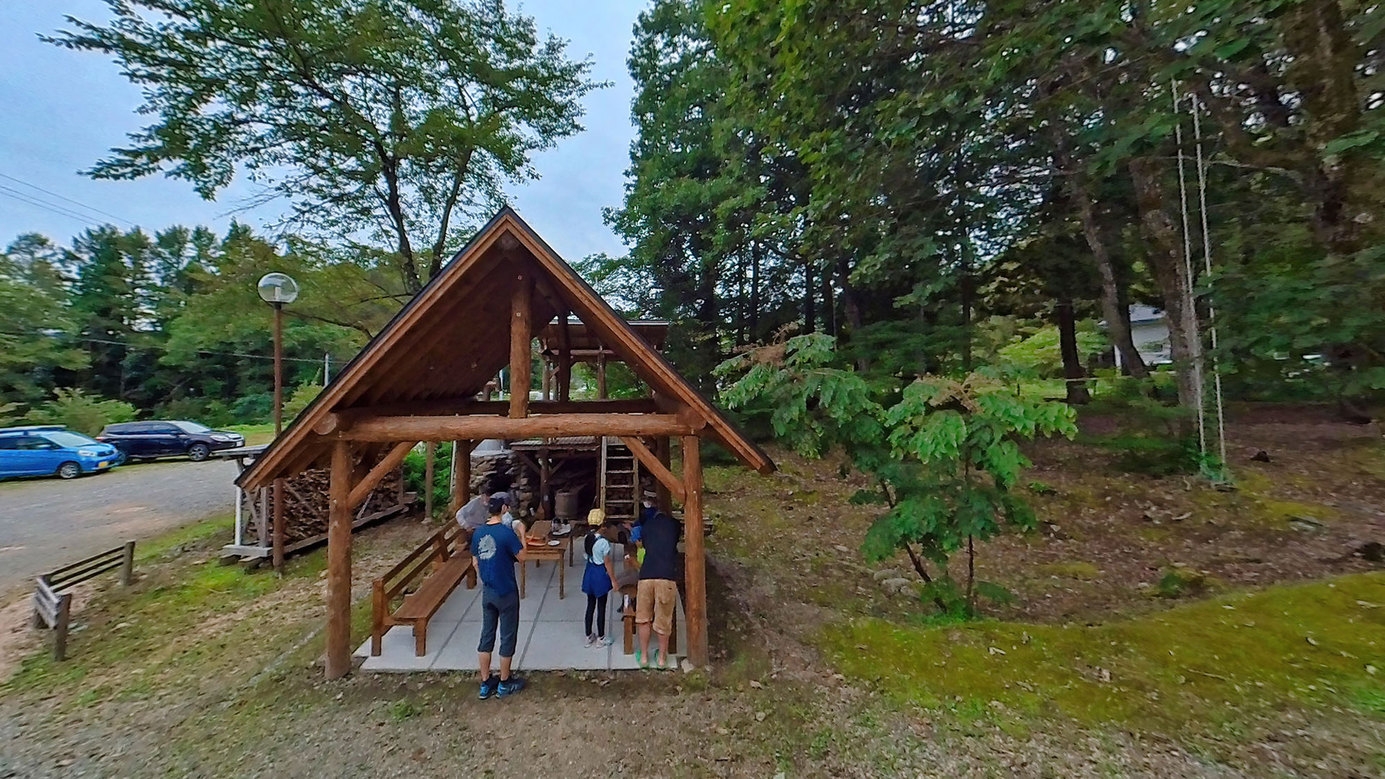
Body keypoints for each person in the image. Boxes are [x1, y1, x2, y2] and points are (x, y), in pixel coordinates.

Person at [472, 493, 527, 699]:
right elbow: (522, 557)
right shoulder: (506, 534)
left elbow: (475, 561)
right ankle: (504, 682)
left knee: (486, 635)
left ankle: (485, 682)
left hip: (488, 591)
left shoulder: (478, 533)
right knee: (507, 636)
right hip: (506, 592)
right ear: (504, 509)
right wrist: (521, 533)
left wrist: (486, 577)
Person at [635, 507, 681, 670]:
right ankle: (661, 659)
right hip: (667, 576)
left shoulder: (647, 526)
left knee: (644, 618)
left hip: (646, 574)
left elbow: (645, 545)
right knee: (663, 619)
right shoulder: (675, 525)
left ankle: (644, 658)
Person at [581, 518, 621, 647]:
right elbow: (607, 563)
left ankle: (588, 636)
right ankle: (601, 637)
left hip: (590, 571)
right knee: (601, 607)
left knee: (590, 605)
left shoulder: (588, 537)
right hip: (600, 574)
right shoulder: (604, 543)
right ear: (602, 526)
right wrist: (613, 580)